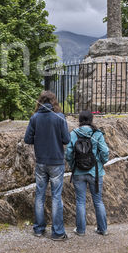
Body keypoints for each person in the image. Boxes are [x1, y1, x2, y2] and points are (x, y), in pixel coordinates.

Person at [23, 90, 70, 240]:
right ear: (53, 101)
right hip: (56, 162)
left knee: (40, 195)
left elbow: (27, 139)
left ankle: (38, 229)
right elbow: (66, 139)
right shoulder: (60, 117)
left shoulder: (35, 118)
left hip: (41, 161)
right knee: (56, 197)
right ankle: (57, 232)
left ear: (40, 102)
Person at [65, 110, 109, 236]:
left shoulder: (74, 133)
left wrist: (73, 165)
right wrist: (102, 163)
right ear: (91, 120)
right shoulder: (97, 134)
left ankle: (81, 230)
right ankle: (103, 229)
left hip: (78, 172)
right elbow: (105, 151)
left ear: (79, 120)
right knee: (98, 201)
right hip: (95, 172)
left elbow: (68, 153)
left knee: (80, 201)